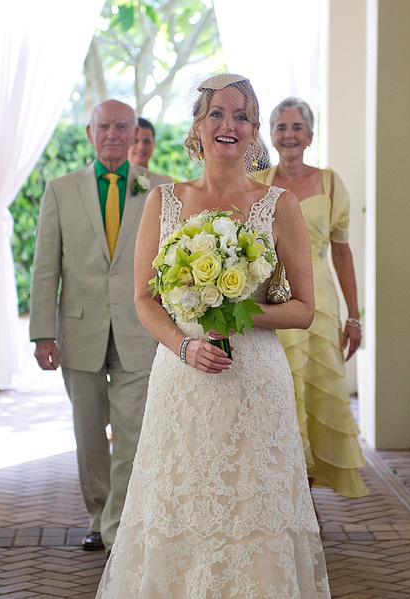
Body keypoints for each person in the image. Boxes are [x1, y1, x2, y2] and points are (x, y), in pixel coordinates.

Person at [96, 75, 331, 598]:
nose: (230, 124)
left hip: (256, 384)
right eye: (217, 114)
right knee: (180, 502)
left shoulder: (280, 206)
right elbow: (144, 299)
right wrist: (185, 345)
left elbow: (304, 310)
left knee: (255, 509)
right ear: (198, 128)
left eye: (242, 115)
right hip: (184, 380)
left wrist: (237, 309)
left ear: (253, 133)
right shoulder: (165, 201)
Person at [29, 99, 172, 552]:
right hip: (79, 333)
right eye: (104, 126)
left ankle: (120, 530)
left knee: (132, 435)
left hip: (141, 333)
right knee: (90, 436)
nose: (113, 133)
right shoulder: (60, 190)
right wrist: (42, 333)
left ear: (136, 135)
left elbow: (173, 265)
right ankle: (99, 513)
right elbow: (45, 267)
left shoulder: (162, 190)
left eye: (122, 127)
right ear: (90, 133)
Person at [255, 97, 368, 498]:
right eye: (281, 128)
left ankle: (305, 497)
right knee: (278, 390)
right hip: (272, 296)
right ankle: (278, 492)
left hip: (319, 301)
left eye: (296, 127)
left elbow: (342, 251)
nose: (289, 135)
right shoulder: (259, 184)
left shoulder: (331, 183)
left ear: (310, 135)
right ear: (271, 136)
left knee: (315, 392)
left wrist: (354, 317)